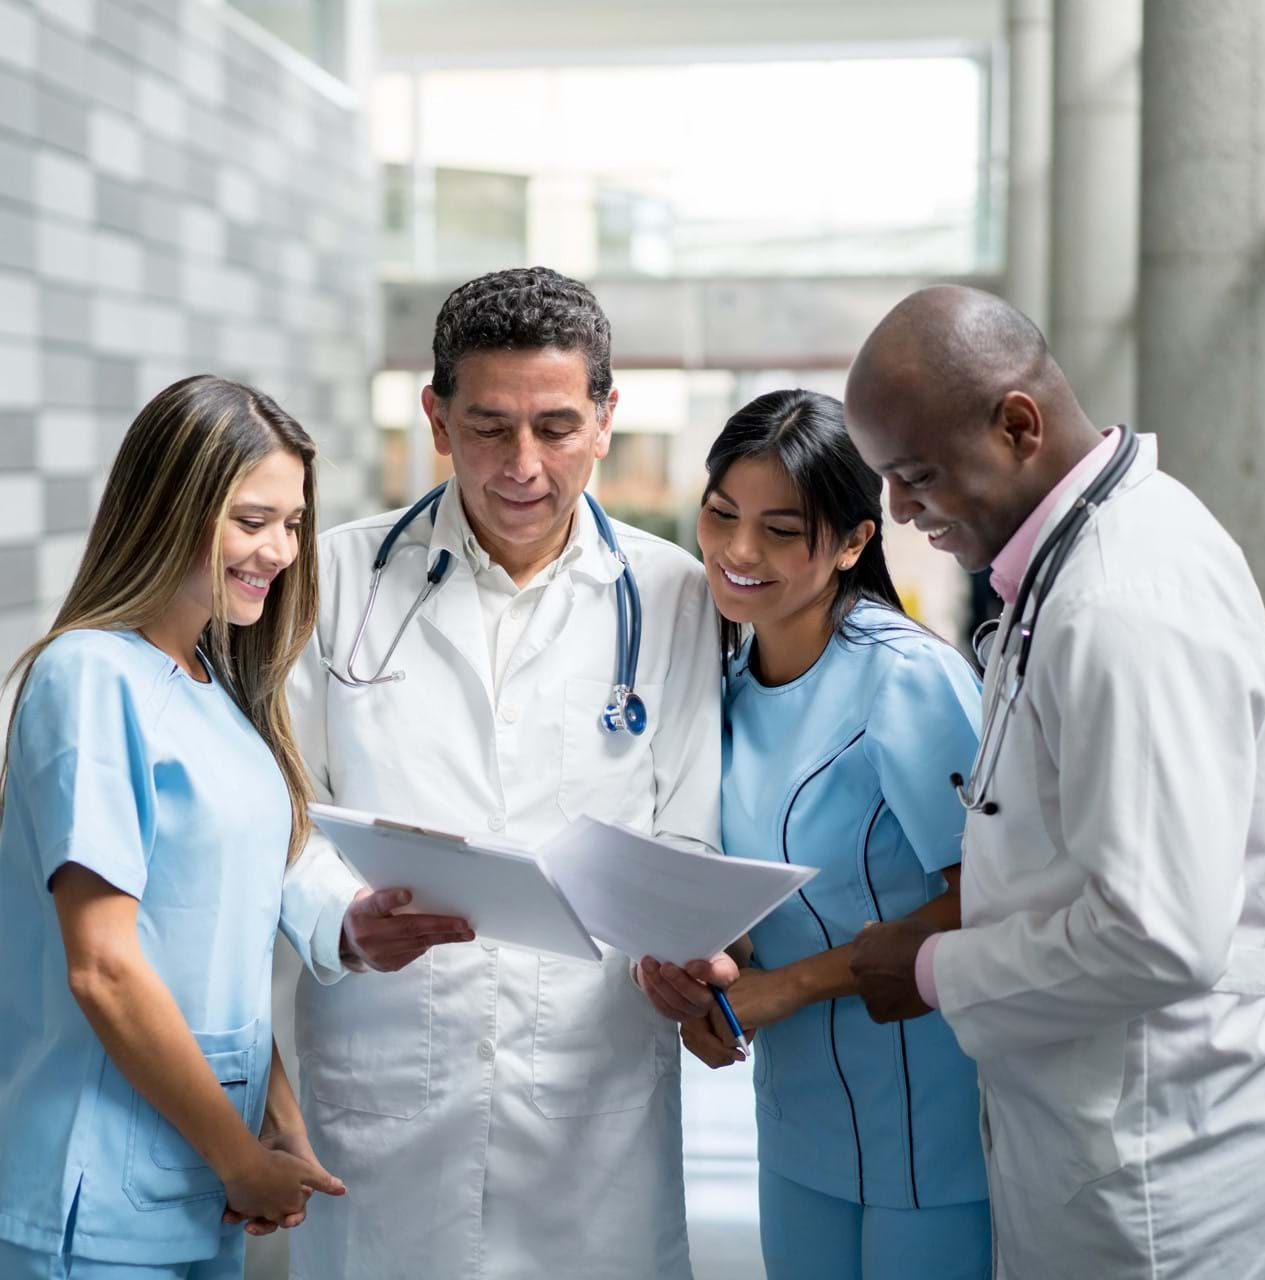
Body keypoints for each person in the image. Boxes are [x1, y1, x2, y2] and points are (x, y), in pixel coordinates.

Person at [279, 266, 724, 1280]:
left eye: (557, 426)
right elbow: (287, 812)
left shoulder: (673, 599)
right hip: (389, 1078)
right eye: (487, 426)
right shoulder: (333, 580)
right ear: (434, 418)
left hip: (590, 1085)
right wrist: (334, 921)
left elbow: (687, 831)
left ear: (607, 417)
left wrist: (683, 945)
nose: (522, 464)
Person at [843, 285, 1265, 1278]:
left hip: (1157, 1168)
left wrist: (929, 967)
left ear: (1016, 423)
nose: (900, 510)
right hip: (1100, 1138)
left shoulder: (1121, 602)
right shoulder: (1068, 565)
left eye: (913, 475)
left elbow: (1156, 930)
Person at [637, 389, 991, 1280]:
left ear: (853, 542)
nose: (738, 551)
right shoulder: (722, 681)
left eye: (782, 530)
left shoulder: (906, 679)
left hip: (930, 1111)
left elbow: (988, 893)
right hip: (799, 1112)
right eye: (721, 515)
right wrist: (716, 991)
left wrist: (789, 987)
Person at [0, 376, 345, 1280]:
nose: (278, 550)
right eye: (250, 519)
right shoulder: (89, 677)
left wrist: (278, 1123)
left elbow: (220, 940)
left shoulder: (213, 688)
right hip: (96, 1192)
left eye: (294, 523)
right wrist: (238, 1156)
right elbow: (105, 967)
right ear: (168, 508)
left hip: (197, 1179)